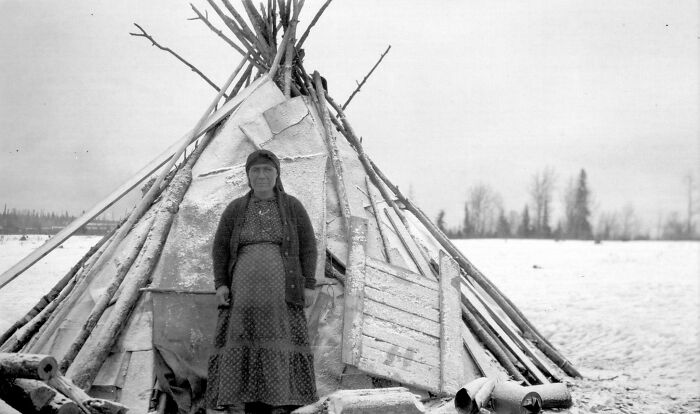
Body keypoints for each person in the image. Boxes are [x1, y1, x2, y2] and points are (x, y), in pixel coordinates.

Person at [206, 149, 318, 414]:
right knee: (244, 338)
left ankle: (281, 402)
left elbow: (309, 247)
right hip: (243, 294)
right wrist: (221, 283)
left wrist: (309, 283)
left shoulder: (292, 207)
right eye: (255, 170)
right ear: (247, 175)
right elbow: (220, 247)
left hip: (282, 294)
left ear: (277, 174)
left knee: (279, 338)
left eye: (267, 170)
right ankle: (241, 400)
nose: (261, 175)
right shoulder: (235, 209)